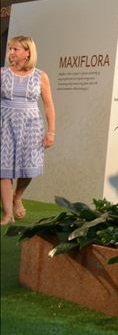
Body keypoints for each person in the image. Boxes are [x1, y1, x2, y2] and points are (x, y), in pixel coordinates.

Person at [1, 36, 55, 225]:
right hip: (4, 124)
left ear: (28, 52)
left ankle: (17, 196)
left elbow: (48, 106)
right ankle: (8, 214)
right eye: (10, 49)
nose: (11, 53)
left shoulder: (40, 76)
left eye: (15, 49)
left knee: (28, 168)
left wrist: (51, 132)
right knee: (4, 170)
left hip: (31, 125)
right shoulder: (2, 73)